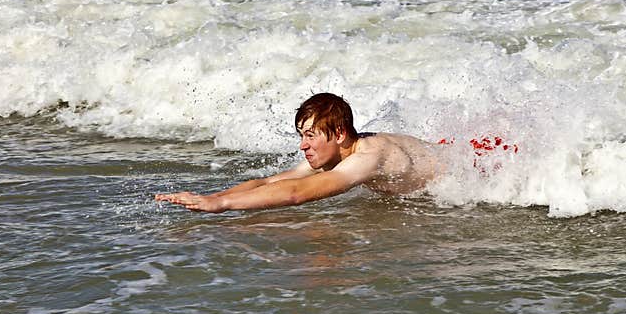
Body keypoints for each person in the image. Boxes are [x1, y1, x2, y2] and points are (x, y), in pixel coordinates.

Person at [154, 93, 441, 213]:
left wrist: (223, 205)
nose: (303, 145)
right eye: (302, 136)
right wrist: (212, 197)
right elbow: (272, 183)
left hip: (474, 168)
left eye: (310, 136)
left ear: (339, 134)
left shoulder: (366, 159)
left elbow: (296, 194)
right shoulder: (340, 154)